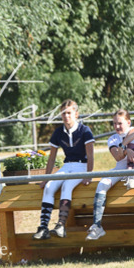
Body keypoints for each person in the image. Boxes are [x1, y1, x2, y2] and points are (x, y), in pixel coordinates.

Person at [33, 100, 95, 240]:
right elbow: (52, 157)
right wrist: (45, 178)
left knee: (67, 186)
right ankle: (43, 227)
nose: (66, 116)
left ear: (76, 114)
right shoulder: (58, 132)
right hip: (67, 165)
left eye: (69, 113)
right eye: (63, 113)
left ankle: (61, 225)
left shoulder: (85, 130)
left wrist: (89, 175)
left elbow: (90, 155)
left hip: (82, 166)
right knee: (49, 186)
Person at [86, 110, 134, 240]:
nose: (117, 126)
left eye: (120, 123)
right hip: (122, 167)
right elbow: (118, 157)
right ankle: (97, 226)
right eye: (114, 124)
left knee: (133, 141)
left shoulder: (133, 130)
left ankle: (130, 174)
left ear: (128, 122)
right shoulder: (112, 138)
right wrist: (125, 151)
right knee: (102, 184)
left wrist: (124, 146)